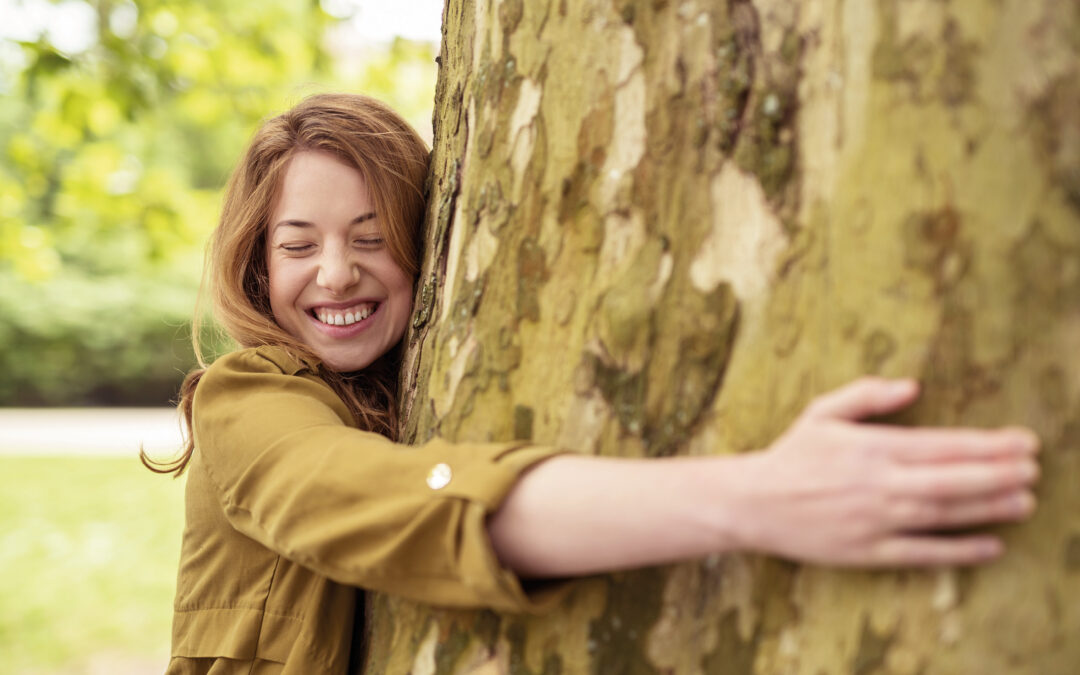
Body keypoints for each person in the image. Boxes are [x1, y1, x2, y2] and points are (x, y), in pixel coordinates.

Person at [144, 93, 1040, 674]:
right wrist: (759, 496)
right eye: (299, 245)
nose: (335, 272)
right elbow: (369, 496)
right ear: (259, 269)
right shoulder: (245, 399)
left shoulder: (416, 390)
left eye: (373, 236)